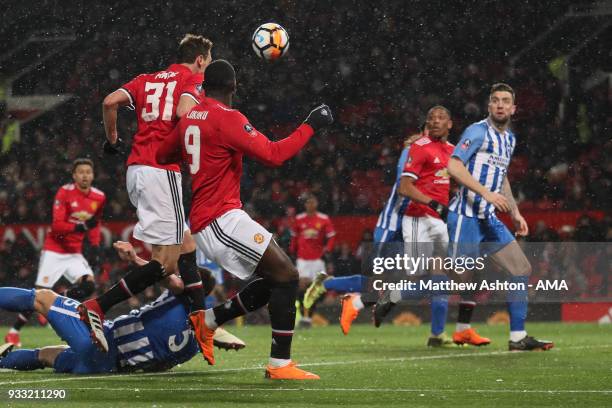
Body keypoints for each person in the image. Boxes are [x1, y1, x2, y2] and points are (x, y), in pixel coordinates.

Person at [156, 59, 333, 379]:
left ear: (204, 87)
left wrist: (196, 149)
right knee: (289, 276)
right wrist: (311, 124)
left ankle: (208, 321)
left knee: (277, 280)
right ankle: (279, 365)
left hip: (211, 217)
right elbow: (274, 154)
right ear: (233, 87)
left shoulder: (189, 119)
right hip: (220, 218)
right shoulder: (228, 118)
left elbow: (162, 155)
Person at [80, 34, 213, 352]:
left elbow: (109, 101)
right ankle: (98, 306)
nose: (206, 67)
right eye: (207, 61)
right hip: (161, 170)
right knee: (166, 263)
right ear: (199, 59)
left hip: (136, 169)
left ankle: (200, 319)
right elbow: (184, 115)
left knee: (186, 243)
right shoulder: (193, 79)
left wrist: (113, 140)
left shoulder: (146, 79)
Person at [0, 242, 244, 374]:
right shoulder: (200, 335)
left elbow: (165, 276)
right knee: (48, 355)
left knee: (42, 298)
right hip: (107, 368)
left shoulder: (182, 294)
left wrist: (135, 259)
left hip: (103, 341)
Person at [446, 83, 553, 351]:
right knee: (458, 277)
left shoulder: (509, 139)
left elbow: (501, 176)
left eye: (506, 101)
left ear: (513, 108)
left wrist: (515, 212)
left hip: (488, 218)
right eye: (496, 100)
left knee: (521, 269)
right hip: (465, 216)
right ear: (489, 106)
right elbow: (453, 165)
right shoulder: (477, 131)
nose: (501, 105)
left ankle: (517, 337)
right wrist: (485, 193)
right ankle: (394, 293)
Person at [373, 106, 490, 347]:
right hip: (418, 219)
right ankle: (391, 298)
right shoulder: (419, 147)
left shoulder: (453, 152)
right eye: (431, 119)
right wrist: (434, 204)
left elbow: (458, 181)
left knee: (456, 275)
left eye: (441, 118)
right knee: (421, 276)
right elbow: (405, 187)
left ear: (450, 124)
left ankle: (445, 332)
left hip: (439, 221)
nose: (435, 122)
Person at [4, 158, 104, 347]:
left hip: (74, 252)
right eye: (81, 172)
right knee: (35, 296)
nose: (85, 175)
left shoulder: (99, 197)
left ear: (93, 175)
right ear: (74, 175)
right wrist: (82, 227)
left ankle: (56, 299)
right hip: (54, 250)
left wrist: (96, 246)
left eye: (88, 172)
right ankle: (13, 333)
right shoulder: (64, 193)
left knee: (89, 286)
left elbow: (95, 225)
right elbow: (57, 226)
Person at [289, 194, 336, 327]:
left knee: (315, 289)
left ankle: (308, 318)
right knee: (300, 287)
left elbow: (332, 236)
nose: (310, 205)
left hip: (317, 260)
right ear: (305, 205)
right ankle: (301, 315)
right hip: (302, 259)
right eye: (308, 203)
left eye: (312, 202)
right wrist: (292, 251)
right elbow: (294, 238)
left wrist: (327, 249)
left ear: (316, 203)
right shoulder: (299, 219)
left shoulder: (323, 219)